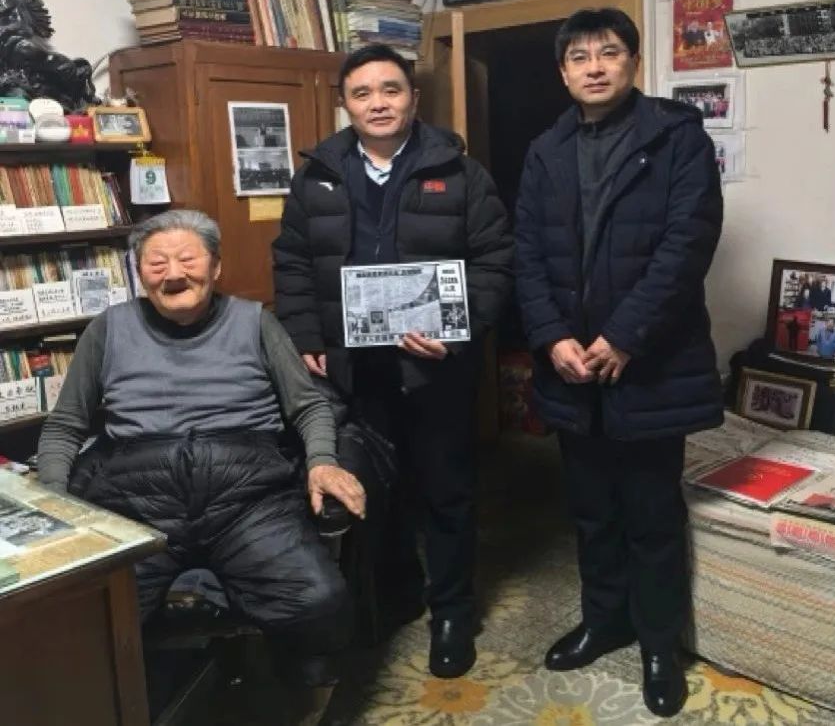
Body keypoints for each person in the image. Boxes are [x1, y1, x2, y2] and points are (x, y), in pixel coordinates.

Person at [37, 210, 367, 722]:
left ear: (215, 267)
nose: (173, 274)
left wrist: (322, 462)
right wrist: (55, 503)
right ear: (139, 272)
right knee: (82, 619)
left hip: (247, 497)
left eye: (188, 260)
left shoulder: (255, 321)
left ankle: (283, 679)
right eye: (157, 263)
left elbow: (308, 407)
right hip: (137, 503)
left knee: (317, 599)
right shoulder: (108, 329)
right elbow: (65, 426)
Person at [272, 44, 513, 678]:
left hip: (436, 367)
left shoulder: (461, 173)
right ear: (345, 104)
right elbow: (293, 261)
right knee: (377, 489)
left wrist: (457, 331)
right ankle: (398, 594)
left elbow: (495, 261)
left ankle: (453, 613)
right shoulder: (317, 175)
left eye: (391, 90)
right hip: (354, 369)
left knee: (447, 491)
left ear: (413, 98)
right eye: (362, 93)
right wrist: (305, 335)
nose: (378, 103)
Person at [514, 8, 723, 718]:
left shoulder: (677, 137)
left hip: (651, 363)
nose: (595, 67)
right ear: (563, 72)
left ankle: (659, 645)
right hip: (571, 366)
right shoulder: (545, 150)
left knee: (650, 512)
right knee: (591, 509)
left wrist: (626, 335)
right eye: (579, 57)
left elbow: (687, 245)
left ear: (634, 61)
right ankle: (605, 621)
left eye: (608, 52)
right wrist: (551, 337)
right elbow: (527, 255)